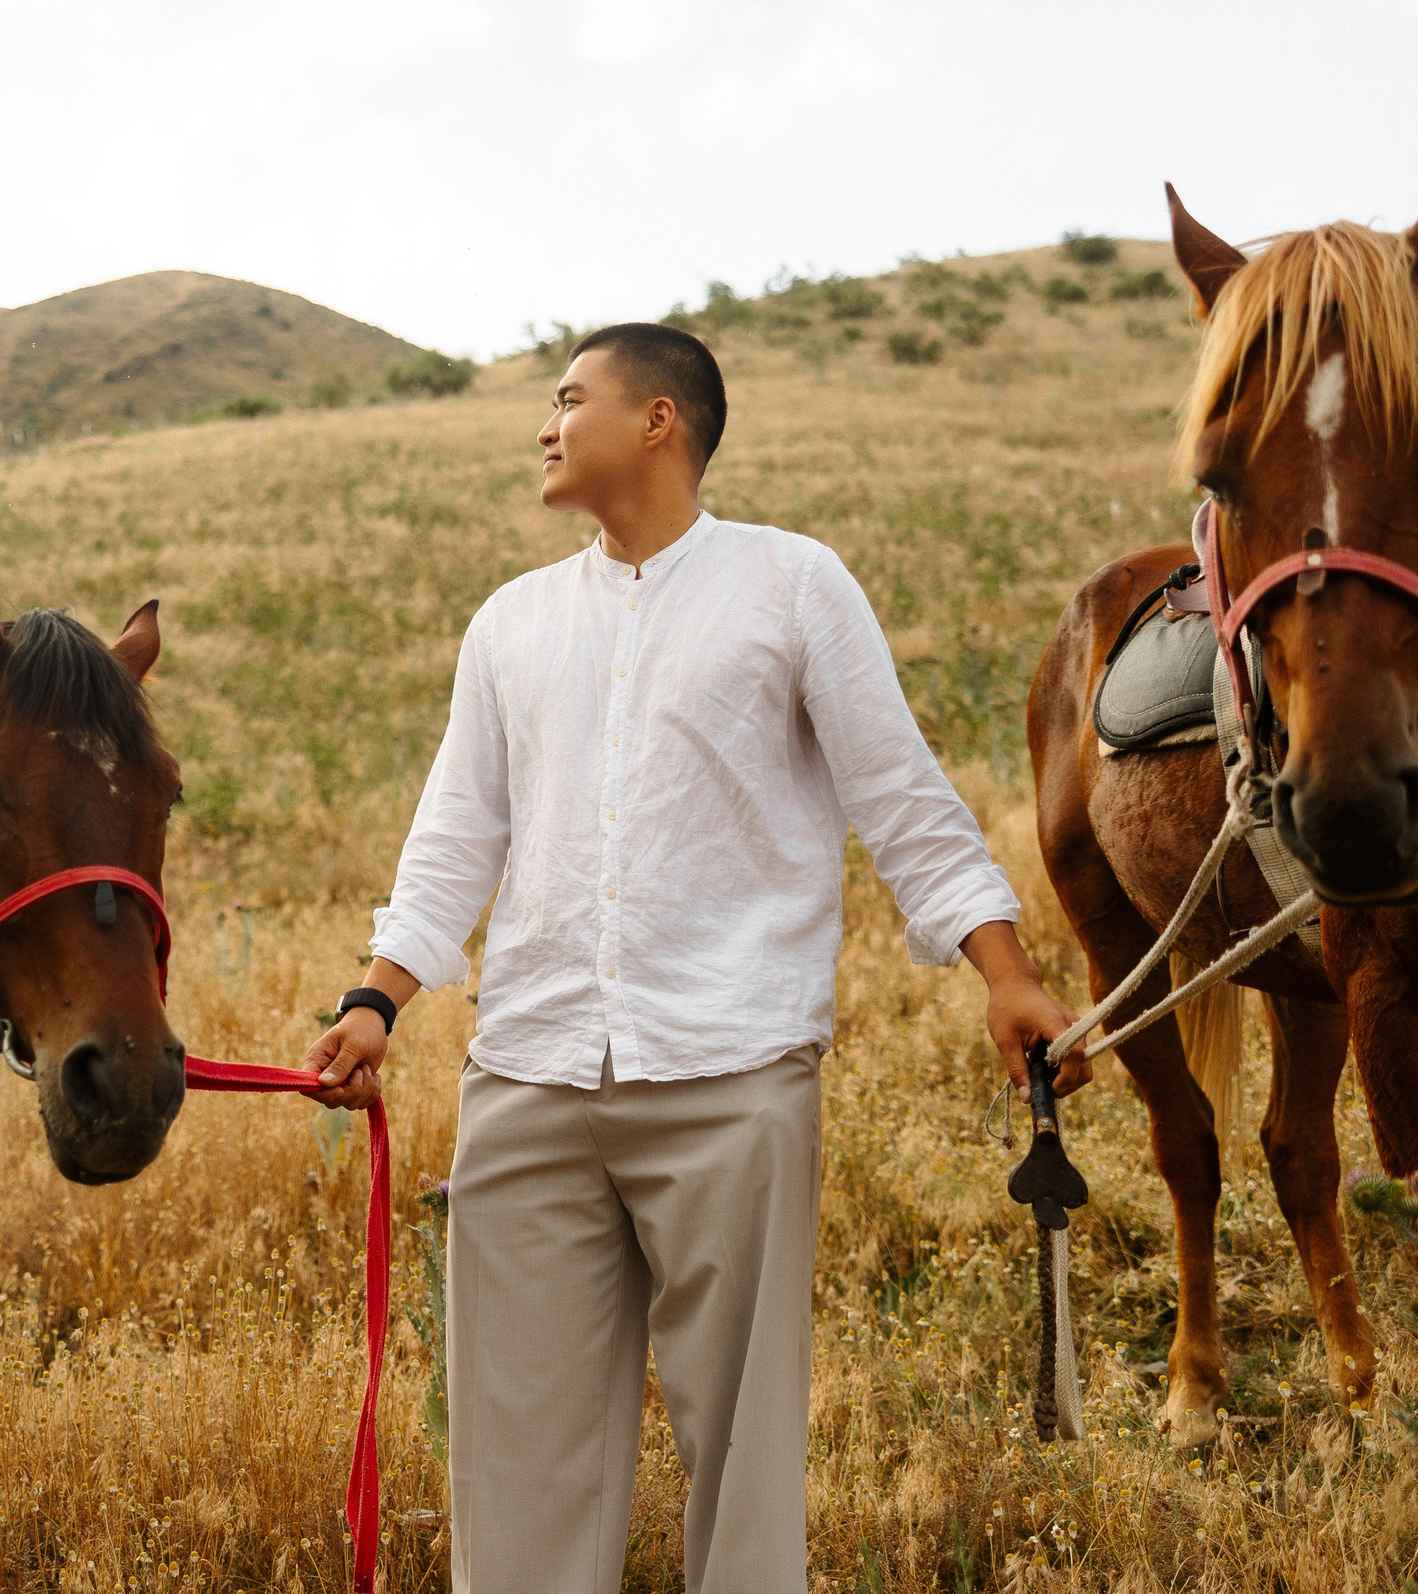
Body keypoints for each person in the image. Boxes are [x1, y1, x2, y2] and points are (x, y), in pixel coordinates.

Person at [300, 323, 1086, 1592]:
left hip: (732, 1077)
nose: (544, 427)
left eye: (568, 399)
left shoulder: (792, 585)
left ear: (659, 420)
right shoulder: (508, 624)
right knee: (513, 1467)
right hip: (530, 1080)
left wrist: (1007, 974)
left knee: (742, 1468)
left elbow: (901, 797)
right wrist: (375, 999)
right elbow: (455, 835)